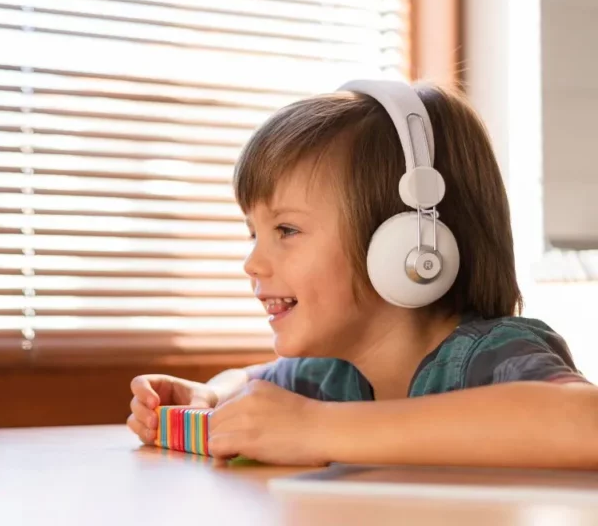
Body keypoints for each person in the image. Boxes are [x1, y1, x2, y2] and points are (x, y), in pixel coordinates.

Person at [127, 81, 598, 468]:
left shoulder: (484, 356)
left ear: (409, 244)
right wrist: (211, 395)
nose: (252, 263)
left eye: (286, 229)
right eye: (253, 233)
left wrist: (314, 429)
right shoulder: (332, 375)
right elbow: (255, 382)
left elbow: (586, 424)